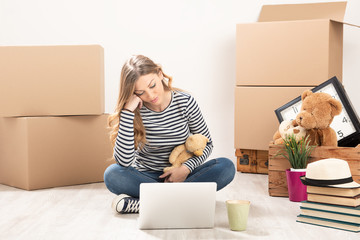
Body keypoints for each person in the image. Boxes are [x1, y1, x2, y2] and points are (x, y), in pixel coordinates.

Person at [104, 55, 235, 214]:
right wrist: (127, 112)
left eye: (152, 85)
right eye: (141, 92)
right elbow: (124, 162)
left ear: (160, 74)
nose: (151, 96)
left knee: (226, 166)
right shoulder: (133, 111)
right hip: (147, 178)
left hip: (182, 176)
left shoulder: (185, 102)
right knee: (112, 174)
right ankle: (179, 201)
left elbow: (207, 144)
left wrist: (186, 169)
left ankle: (149, 203)